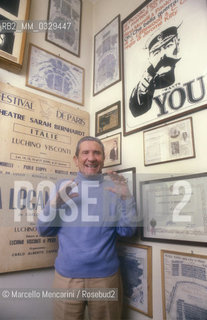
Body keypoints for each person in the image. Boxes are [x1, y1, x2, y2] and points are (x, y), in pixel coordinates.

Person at [37, 136, 137, 320]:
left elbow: (128, 232)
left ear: (103, 158)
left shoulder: (115, 189)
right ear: (76, 159)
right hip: (67, 278)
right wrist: (54, 205)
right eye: (85, 152)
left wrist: (127, 199)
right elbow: (43, 230)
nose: (91, 158)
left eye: (96, 152)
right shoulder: (62, 187)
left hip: (106, 278)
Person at [129, 25, 181, 117]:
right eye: (156, 52)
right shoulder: (149, 81)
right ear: (150, 59)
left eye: (168, 45)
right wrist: (142, 92)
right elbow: (136, 111)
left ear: (177, 43)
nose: (163, 55)